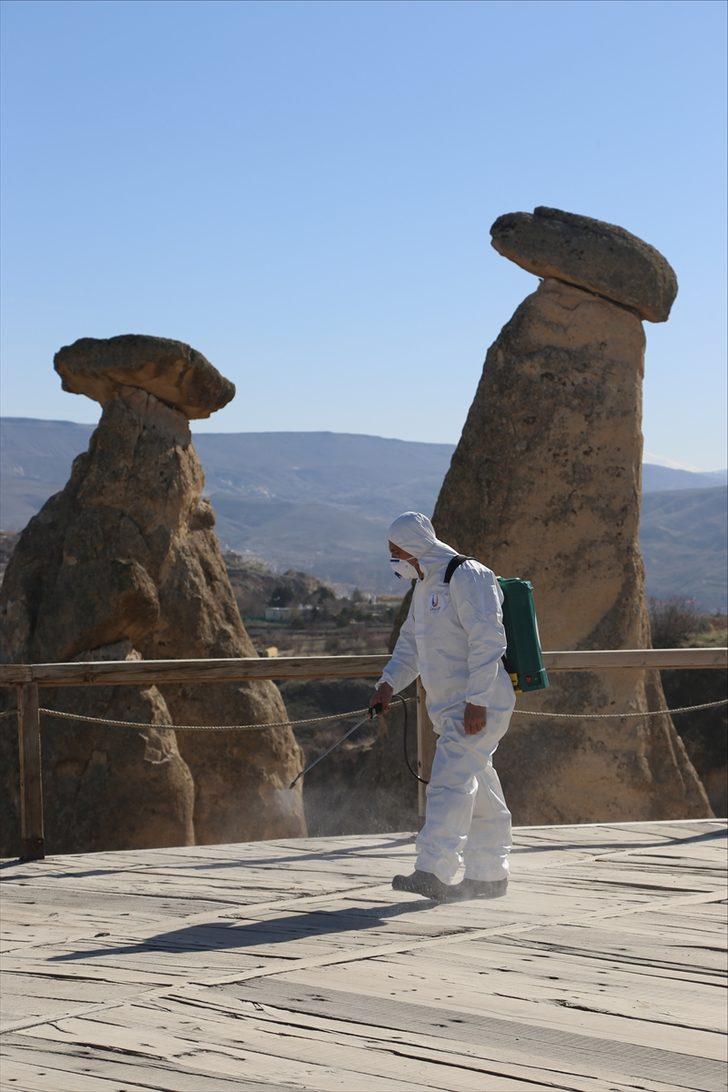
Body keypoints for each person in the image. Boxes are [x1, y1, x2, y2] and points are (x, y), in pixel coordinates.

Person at [370, 511, 515, 902]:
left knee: (449, 783)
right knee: (478, 784)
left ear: (415, 547)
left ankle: (433, 869)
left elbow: (489, 641)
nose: (394, 560)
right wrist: (387, 684)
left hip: (478, 704)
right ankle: (488, 874)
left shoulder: (469, 576)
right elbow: (411, 647)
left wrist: (477, 701)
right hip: (452, 708)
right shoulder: (424, 587)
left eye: (396, 552)